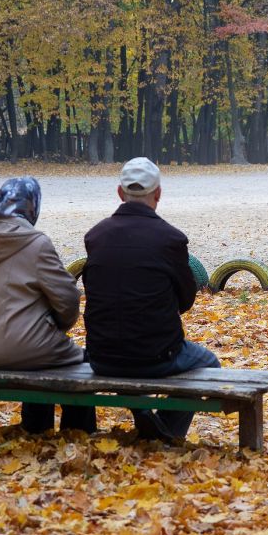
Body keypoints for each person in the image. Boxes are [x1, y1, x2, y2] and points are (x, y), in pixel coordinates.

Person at [82, 157, 219, 442]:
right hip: (156, 355)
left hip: (101, 354)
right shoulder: (170, 239)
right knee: (209, 362)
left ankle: (143, 412)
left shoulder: (95, 236)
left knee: (126, 349)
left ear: (120, 193)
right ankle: (165, 430)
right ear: (158, 194)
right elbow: (185, 301)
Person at [0, 176, 96, 434]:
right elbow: (67, 301)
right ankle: (78, 433)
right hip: (27, 348)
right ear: (33, 206)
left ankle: (35, 427)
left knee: (35, 351)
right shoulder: (36, 243)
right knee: (81, 367)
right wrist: (56, 324)